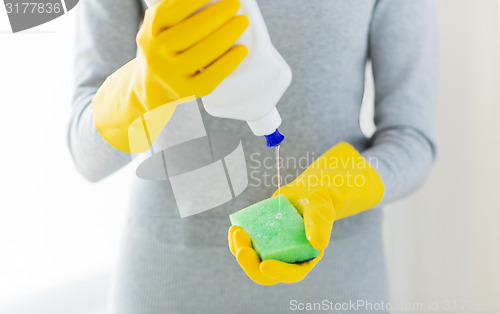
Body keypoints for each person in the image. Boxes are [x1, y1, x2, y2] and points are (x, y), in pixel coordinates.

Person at [68, 0, 437, 312]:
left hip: (337, 288)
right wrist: (141, 87)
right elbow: (88, 157)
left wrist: (334, 190)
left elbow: (411, 139)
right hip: (170, 284)